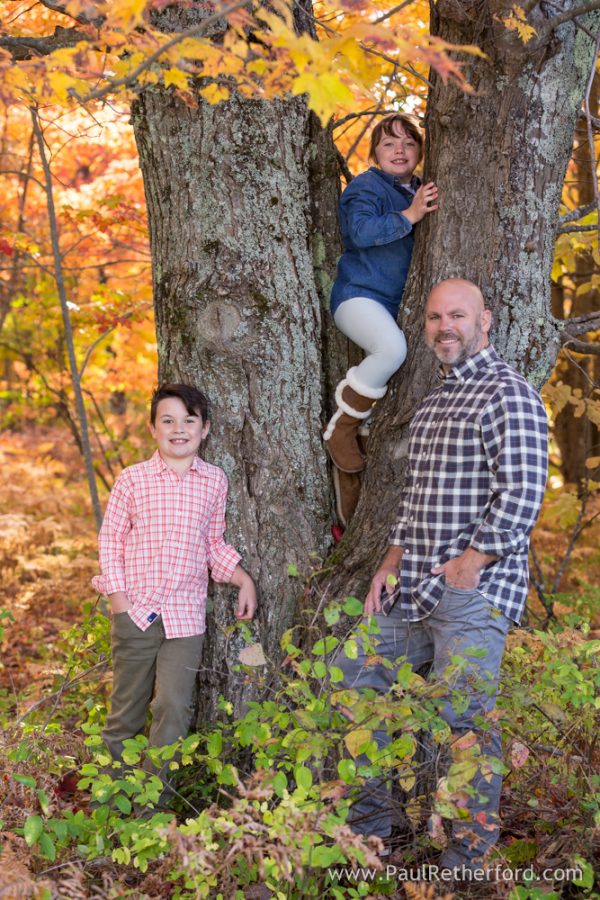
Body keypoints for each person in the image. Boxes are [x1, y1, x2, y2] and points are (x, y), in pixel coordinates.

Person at [337, 279, 548, 871]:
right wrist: (388, 561)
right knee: (354, 677)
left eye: (457, 315)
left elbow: (523, 495)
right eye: (434, 317)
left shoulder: (511, 395)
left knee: (464, 721)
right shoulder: (434, 401)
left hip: (472, 593)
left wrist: (470, 562)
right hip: (412, 588)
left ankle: (466, 855)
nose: (444, 326)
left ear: (486, 319)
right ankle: (379, 832)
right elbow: (416, 497)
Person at [92, 383, 257, 808]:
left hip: (185, 617)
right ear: (153, 429)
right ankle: (114, 803)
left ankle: (151, 805)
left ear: (205, 429)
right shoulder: (133, 480)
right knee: (127, 708)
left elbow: (212, 544)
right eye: (168, 420)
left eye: (189, 420)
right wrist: (118, 600)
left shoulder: (213, 481)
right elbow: (111, 540)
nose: (178, 429)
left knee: (173, 707)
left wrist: (241, 578)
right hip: (137, 611)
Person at [324, 113, 438, 504]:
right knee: (391, 351)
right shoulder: (366, 186)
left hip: (396, 308)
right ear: (375, 152)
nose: (400, 151)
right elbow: (360, 231)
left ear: (421, 150)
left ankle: (352, 484)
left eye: (408, 143)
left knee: (400, 379)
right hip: (360, 296)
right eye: (389, 143)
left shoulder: (423, 188)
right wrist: (410, 216)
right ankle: (342, 426)